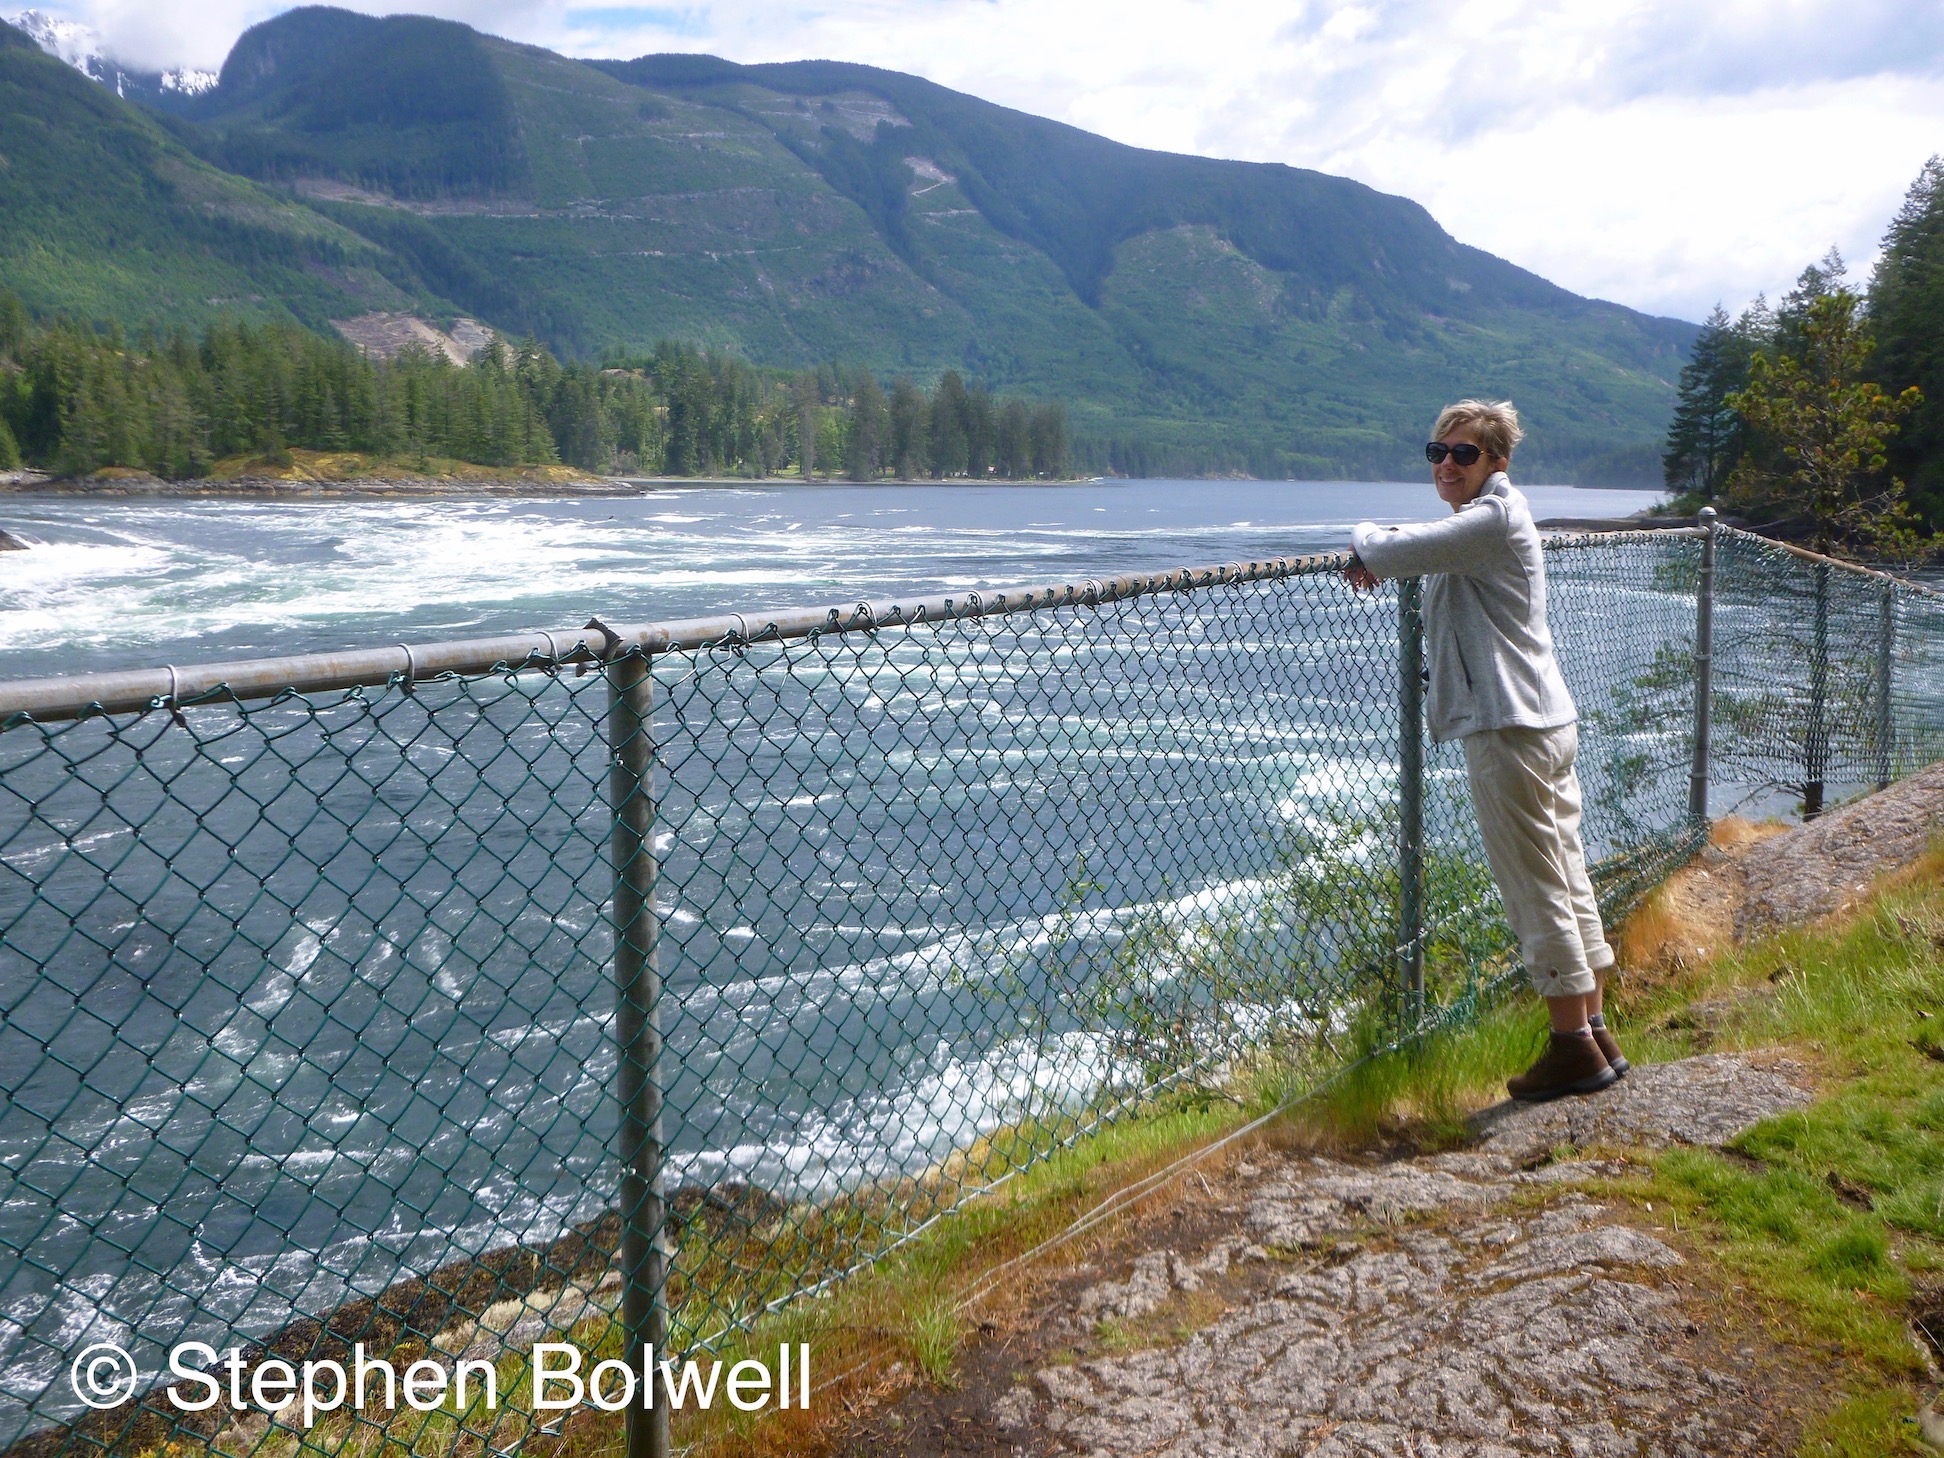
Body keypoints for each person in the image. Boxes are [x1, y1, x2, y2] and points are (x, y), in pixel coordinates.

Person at [1343, 399, 1625, 1102]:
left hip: (1510, 728)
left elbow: (1385, 549)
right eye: (1435, 451)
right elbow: (1424, 548)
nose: (1445, 464)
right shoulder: (1492, 518)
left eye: (1463, 454)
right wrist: (1392, 547)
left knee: (1536, 888)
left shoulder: (1491, 521)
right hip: (1542, 720)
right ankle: (1594, 1032)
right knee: (1565, 875)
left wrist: (1364, 538)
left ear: (1497, 460)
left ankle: (1572, 1050)